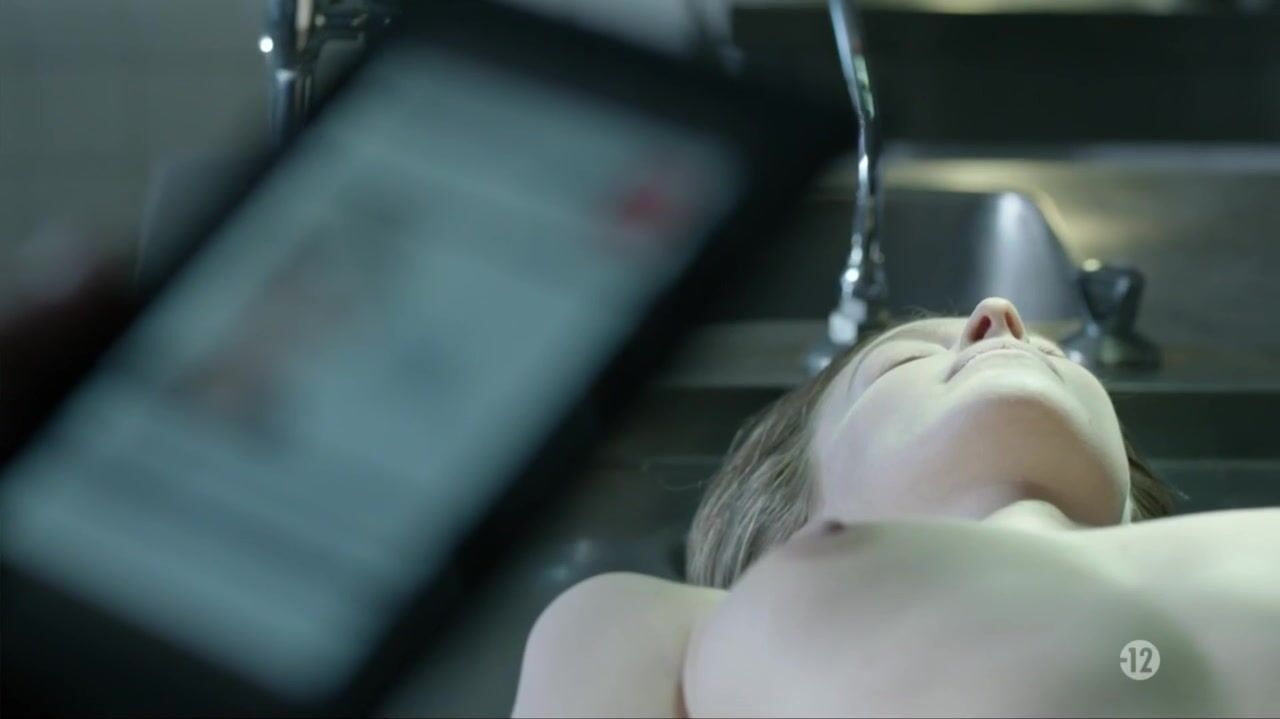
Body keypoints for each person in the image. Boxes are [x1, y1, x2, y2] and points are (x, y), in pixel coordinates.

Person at [511, 297, 1279, 718]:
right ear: (785, 523)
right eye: (903, 361)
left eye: (1055, 353)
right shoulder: (671, 624)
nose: (1001, 314)